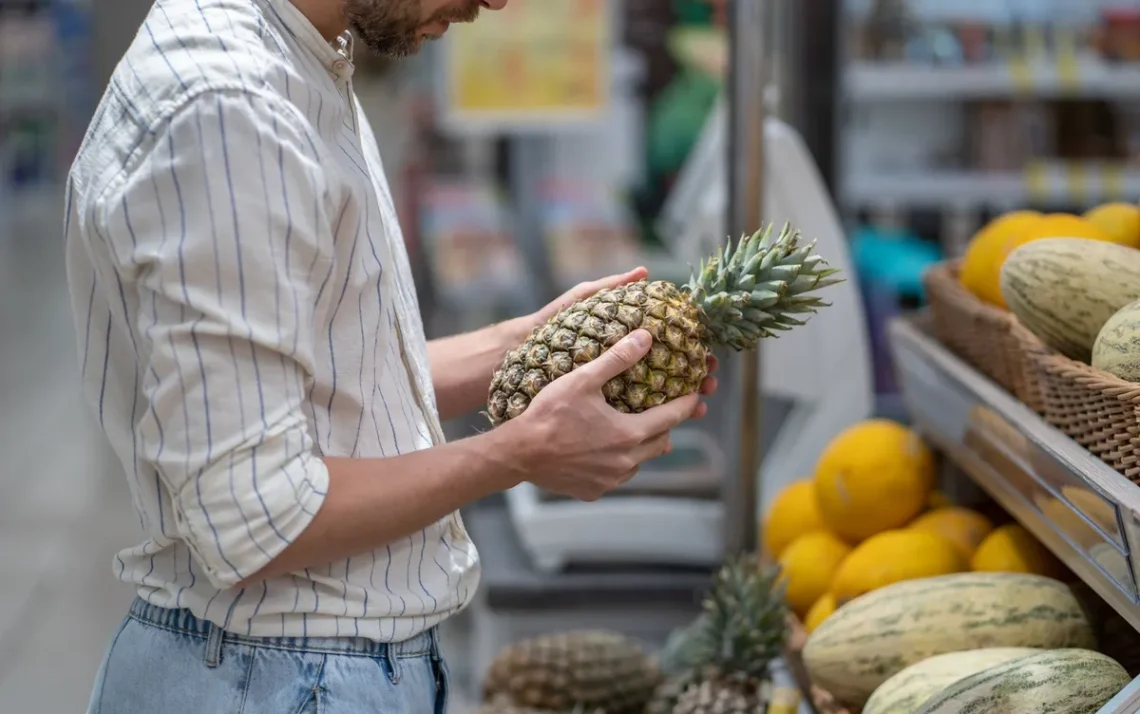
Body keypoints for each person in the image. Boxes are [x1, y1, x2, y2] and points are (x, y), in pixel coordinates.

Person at [65, 1, 719, 713]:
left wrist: (528, 343)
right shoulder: (231, 109)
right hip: (279, 680)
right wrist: (517, 454)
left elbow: (329, 389)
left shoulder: (295, 62)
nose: (496, 2)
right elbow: (257, 516)